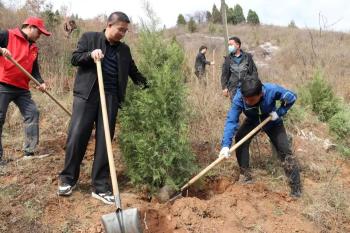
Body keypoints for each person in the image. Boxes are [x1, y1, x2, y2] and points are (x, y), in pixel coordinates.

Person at [58, 12, 149, 204]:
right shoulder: (90, 38)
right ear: (109, 25)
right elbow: (74, 58)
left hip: (111, 98)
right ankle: (68, 179)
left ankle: (99, 186)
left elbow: (133, 71)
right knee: (77, 135)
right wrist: (90, 55)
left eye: (125, 30)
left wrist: (148, 86)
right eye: (120, 29)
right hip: (87, 95)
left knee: (105, 141)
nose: (123, 33)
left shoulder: (124, 50)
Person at [219, 77, 302, 198]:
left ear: (261, 94)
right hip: (252, 121)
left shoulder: (271, 90)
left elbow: (292, 97)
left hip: (271, 120)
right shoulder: (239, 97)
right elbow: (231, 121)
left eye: (251, 100)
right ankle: (246, 176)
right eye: (245, 99)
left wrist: (279, 113)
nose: (247, 102)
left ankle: (296, 188)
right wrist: (225, 145)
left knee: (285, 151)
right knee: (240, 139)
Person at [0, 17, 50, 165]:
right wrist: (1, 50)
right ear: (29, 27)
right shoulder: (6, 35)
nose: (40, 36)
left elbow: (35, 70)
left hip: (22, 88)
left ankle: (29, 151)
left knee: (32, 113)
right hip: (3, 84)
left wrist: (41, 82)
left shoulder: (33, 47)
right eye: (39, 32)